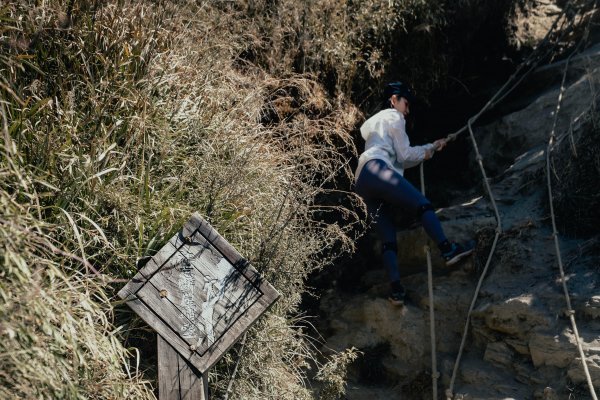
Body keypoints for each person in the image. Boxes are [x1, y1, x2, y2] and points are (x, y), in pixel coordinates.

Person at [354, 81, 474, 306]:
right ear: (394, 100)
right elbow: (405, 154)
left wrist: (430, 147)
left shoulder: (375, 124)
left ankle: (396, 291)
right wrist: (429, 149)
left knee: (387, 237)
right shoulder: (393, 116)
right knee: (422, 205)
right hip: (378, 170)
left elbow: (398, 158)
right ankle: (448, 251)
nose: (407, 110)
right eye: (405, 103)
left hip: (362, 180)